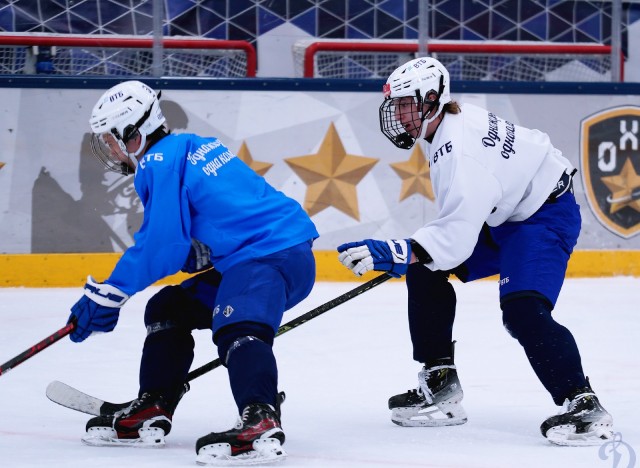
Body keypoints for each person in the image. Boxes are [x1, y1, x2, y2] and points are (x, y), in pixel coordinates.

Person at [336, 57, 614, 446]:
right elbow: (454, 231)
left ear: (431, 99)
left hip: (543, 217)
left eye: (405, 104)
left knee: (522, 310)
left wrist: (394, 252)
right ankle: (442, 386)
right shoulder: (450, 122)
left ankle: (585, 407)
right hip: (513, 209)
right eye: (395, 104)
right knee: (425, 268)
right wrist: (411, 254)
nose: (398, 114)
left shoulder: (458, 152)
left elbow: (452, 242)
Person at [66, 80, 318, 464]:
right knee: (169, 307)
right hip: (277, 253)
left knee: (238, 324)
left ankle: (260, 419)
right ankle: (155, 404)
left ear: (135, 134)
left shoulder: (158, 161)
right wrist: (197, 252)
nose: (111, 150)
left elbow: (162, 244)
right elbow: (207, 225)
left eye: (113, 140)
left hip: (267, 255)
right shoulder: (190, 146)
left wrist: (111, 292)